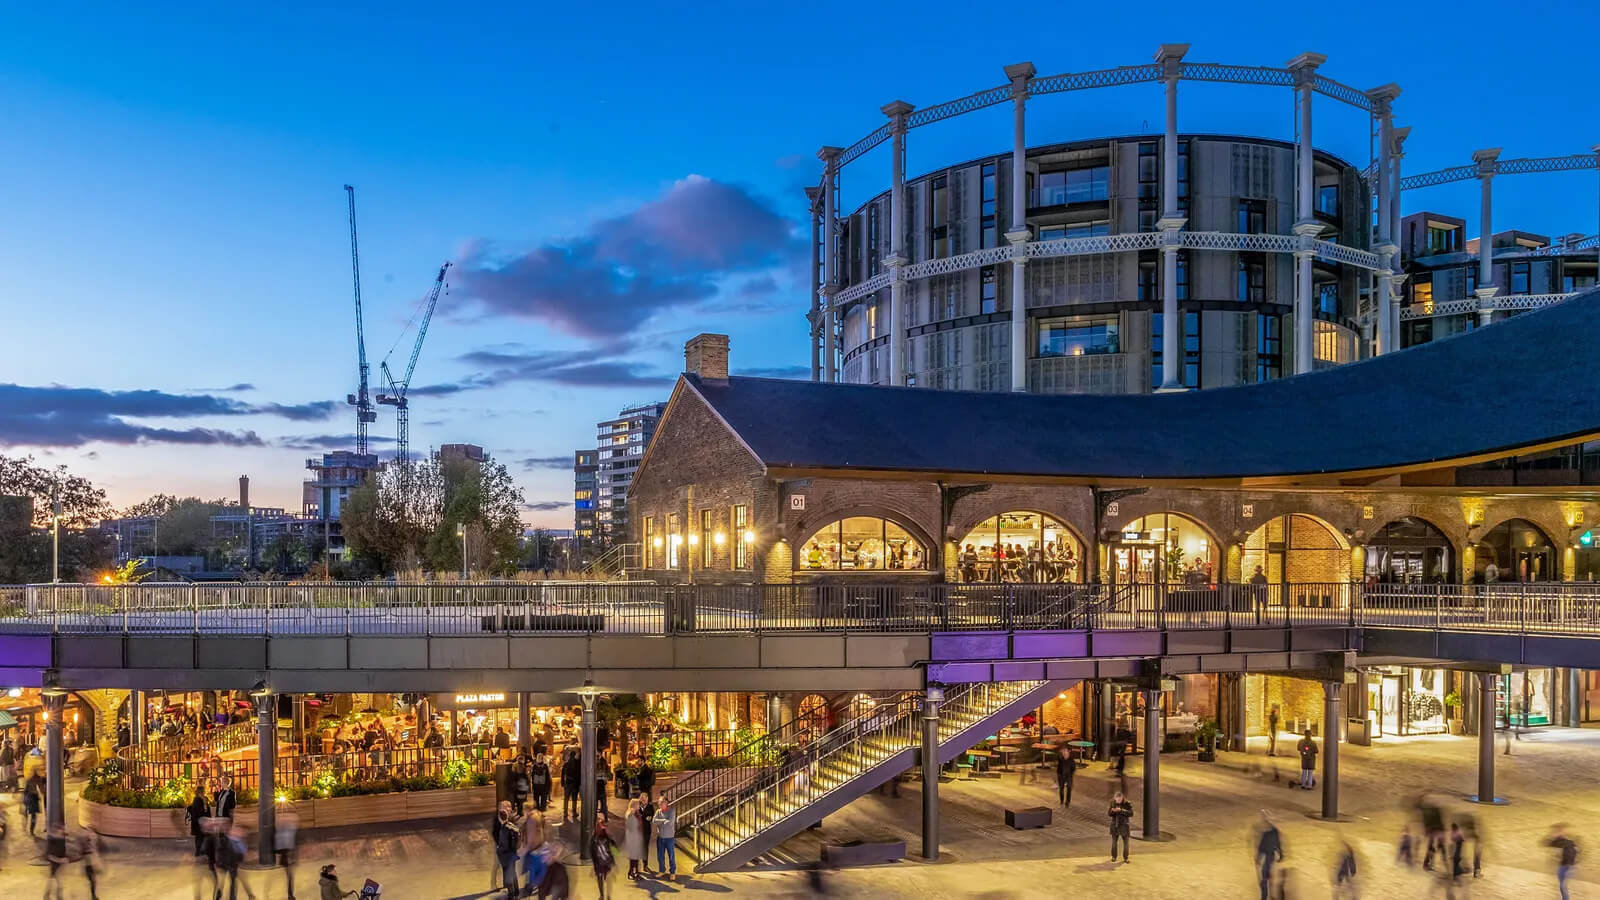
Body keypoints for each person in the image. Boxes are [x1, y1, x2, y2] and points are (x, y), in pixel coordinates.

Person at [492, 800, 521, 899]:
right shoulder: (512, 826)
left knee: (508, 875)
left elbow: (504, 844)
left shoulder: (504, 829)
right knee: (513, 873)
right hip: (513, 853)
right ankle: (516, 892)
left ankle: (511, 894)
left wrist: (499, 849)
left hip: (506, 855)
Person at [222, 823, 258, 900]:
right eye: (239, 831)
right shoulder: (229, 841)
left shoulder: (239, 842)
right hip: (230, 864)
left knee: (236, 880)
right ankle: (237, 896)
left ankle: (247, 895)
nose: (241, 833)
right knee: (233, 881)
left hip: (234, 865)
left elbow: (243, 853)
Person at [1255, 812, 1283, 900]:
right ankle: (1270, 894)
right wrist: (1281, 854)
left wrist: (1258, 857)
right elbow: (1278, 844)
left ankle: (1264, 896)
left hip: (1267, 856)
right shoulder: (1275, 831)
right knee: (1269, 876)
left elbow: (1261, 846)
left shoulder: (1266, 833)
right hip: (1271, 856)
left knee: (1264, 877)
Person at [1547, 825, 1578, 900]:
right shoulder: (1557, 841)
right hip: (1561, 866)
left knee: (1563, 886)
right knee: (1562, 885)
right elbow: (1548, 843)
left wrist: (1571, 866)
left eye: (1557, 832)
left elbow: (1575, 852)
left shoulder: (1569, 842)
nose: (1554, 834)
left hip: (1568, 866)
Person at [276, 807, 300, 900]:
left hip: (287, 854)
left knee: (289, 875)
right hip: (287, 854)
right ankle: (290, 895)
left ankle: (290, 894)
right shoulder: (288, 829)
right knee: (289, 876)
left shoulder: (282, 829)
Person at [590, 819, 618, 899]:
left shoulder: (603, 836)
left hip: (604, 861)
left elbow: (613, 846)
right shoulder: (595, 838)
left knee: (605, 878)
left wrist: (614, 857)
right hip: (601, 861)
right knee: (602, 878)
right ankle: (603, 894)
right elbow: (592, 851)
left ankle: (604, 895)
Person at [653, 799, 677, 881]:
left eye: (660, 804)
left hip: (669, 837)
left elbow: (670, 822)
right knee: (660, 856)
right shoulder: (658, 811)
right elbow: (654, 821)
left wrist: (660, 822)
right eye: (659, 804)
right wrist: (664, 820)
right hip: (660, 837)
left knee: (671, 856)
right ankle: (661, 870)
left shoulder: (671, 811)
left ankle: (672, 872)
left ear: (665, 803)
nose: (659, 805)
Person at [44, 824, 69, 900]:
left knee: (54, 880)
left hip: (58, 863)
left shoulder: (61, 839)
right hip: (55, 864)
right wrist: (60, 860)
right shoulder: (54, 841)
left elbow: (62, 852)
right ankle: (51, 896)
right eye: (62, 829)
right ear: (58, 830)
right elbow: (49, 855)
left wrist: (64, 858)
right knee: (56, 880)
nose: (64, 830)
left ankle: (48, 895)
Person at [623, 798, 646, 879]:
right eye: (638, 804)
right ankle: (633, 872)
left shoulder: (636, 812)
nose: (639, 806)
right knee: (634, 857)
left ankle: (632, 872)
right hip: (633, 838)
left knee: (634, 857)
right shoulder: (632, 813)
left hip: (635, 837)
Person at [1108, 791, 1133, 863]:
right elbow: (1109, 814)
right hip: (1115, 825)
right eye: (1117, 799)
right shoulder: (1112, 803)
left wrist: (1121, 810)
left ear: (1122, 798)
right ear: (1115, 798)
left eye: (1119, 799)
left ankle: (1126, 858)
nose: (1118, 801)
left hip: (1124, 826)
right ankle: (1114, 857)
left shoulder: (1127, 803)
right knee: (1114, 842)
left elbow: (1131, 813)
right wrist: (1113, 811)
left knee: (1126, 843)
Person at [187, 787, 212, 856]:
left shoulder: (201, 799)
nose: (204, 792)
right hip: (200, 822)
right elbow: (200, 812)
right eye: (203, 791)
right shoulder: (197, 800)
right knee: (200, 837)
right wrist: (205, 805)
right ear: (200, 792)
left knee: (200, 837)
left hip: (200, 822)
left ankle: (200, 851)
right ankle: (199, 851)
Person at [79, 827, 103, 900]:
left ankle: (93, 895)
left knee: (93, 881)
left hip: (90, 864)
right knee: (92, 881)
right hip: (88, 865)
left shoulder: (90, 842)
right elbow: (86, 854)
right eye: (90, 832)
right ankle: (93, 896)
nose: (93, 835)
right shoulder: (87, 844)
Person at [638, 792, 657, 876]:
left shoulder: (650, 807)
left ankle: (645, 865)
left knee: (645, 848)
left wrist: (647, 817)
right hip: (637, 831)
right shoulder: (637, 807)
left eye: (645, 798)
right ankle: (635, 867)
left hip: (646, 831)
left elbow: (650, 817)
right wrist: (644, 817)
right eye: (642, 798)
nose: (644, 800)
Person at [560, 750, 580, 821]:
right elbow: (579, 774)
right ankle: (574, 812)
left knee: (566, 798)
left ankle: (565, 812)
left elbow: (562, 775)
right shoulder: (577, 763)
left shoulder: (566, 764)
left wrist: (562, 782)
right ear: (574, 755)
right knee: (574, 798)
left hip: (567, 783)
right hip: (575, 784)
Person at [22, 771, 43, 836]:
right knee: (31, 815)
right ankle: (29, 829)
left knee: (30, 815)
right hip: (31, 798)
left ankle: (29, 829)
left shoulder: (32, 780)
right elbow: (26, 791)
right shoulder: (30, 780)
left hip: (31, 798)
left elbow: (39, 788)